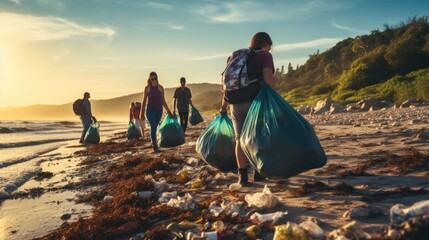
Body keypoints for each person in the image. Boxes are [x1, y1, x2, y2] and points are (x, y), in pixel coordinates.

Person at [219, 32, 278, 186]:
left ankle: (242, 176)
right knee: (258, 136)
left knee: (239, 139)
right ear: (266, 43)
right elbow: (268, 80)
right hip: (254, 102)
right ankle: (258, 173)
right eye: (269, 47)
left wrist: (223, 107)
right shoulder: (264, 55)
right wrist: (274, 81)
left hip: (234, 103)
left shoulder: (237, 56)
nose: (269, 50)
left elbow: (227, 85)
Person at [140, 72, 173, 152]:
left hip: (159, 111)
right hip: (150, 110)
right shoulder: (147, 88)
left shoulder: (161, 88)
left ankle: (156, 141)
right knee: (153, 126)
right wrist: (141, 112)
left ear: (157, 78)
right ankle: (154, 145)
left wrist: (168, 111)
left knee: (156, 127)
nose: (154, 80)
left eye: (155, 78)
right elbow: (144, 100)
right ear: (150, 79)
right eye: (152, 79)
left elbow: (163, 101)